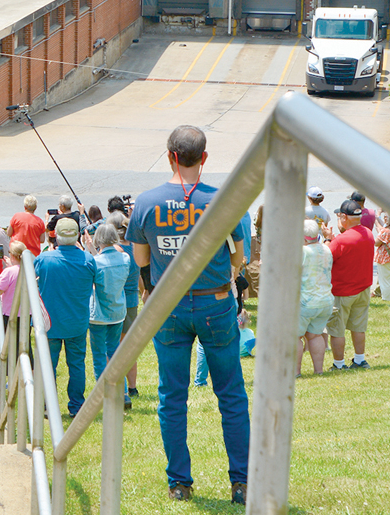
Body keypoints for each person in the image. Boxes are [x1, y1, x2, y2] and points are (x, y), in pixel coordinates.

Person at [126, 124, 249, 504]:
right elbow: (238, 258)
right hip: (215, 303)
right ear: (205, 158)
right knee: (231, 394)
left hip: (170, 306)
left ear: (170, 156)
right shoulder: (224, 201)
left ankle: (179, 481)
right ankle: (241, 481)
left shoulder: (147, 203)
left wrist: (151, 287)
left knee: (172, 396)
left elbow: (141, 260)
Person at [34, 218, 96, 417]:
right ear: (77, 235)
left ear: (56, 237)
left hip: (50, 323)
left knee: (48, 364)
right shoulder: (88, 260)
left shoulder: (44, 259)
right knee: (76, 365)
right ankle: (77, 405)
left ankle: (46, 404)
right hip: (76, 322)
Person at [88, 222, 132, 409]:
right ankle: (122, 393)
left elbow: (93, 282)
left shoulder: (95, 262)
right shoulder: (125, 258)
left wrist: (92, 251)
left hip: (98, 313)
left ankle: (104, 394)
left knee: (99, 355)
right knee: (115, 353)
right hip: (118, 311)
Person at [328, 199, 375, 368]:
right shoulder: (369, 234)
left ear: (344, 217)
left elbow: (326, 258)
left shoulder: (341, 240)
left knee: (336, 329)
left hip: (343, 290)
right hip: (363, 288)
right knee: (358, 326)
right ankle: (360, 359)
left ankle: (339, 364)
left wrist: (328, 240)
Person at [106, 210, 141, 398]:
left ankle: (114, 383)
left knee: (112, 346)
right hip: (132, 301)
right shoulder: (135, 247)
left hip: (116, 301)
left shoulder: (116, 251)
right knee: (128, 347)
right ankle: (132, 386)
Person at [298, 219, 334, 376]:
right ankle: (318, 370)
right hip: (325, 300)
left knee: (295, 337)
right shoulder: (326, 249)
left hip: (305, 301)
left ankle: (296, 372)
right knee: (315, 335)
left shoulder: (302, 252)